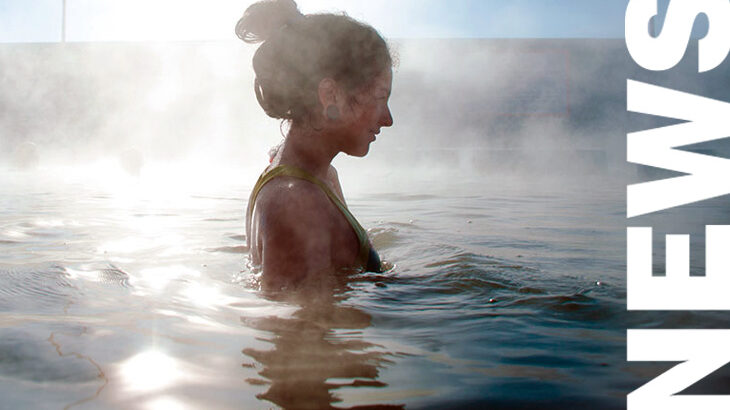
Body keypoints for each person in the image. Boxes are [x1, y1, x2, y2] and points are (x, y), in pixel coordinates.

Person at [237, 0, 394, 288]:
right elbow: (299, 330)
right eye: (380, 97)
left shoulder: (317, 179)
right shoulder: (295, 205)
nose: (388, 119)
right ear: (331, 95)